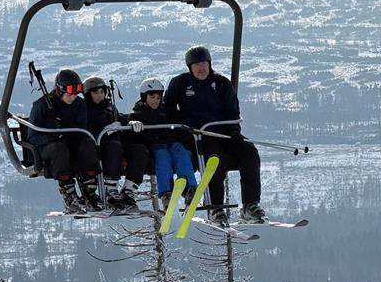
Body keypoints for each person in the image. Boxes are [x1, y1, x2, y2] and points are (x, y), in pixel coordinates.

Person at [164, 46, 267, 225]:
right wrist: (182, 127)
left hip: (224, 133)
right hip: (197, 136)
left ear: (209, 64)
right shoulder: (180, 83)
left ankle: (250, 205)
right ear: (190, 67)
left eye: (204, 64)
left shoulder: (221, 83)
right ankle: (215, 207)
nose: (201, 68)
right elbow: (168, 108)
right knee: (214, 158)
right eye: (197, 65)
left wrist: (234, 131)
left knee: (250, 152)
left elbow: (233, 111)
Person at [27, 69, 101, 214]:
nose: (73, 97)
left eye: (76, 93)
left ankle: (89, 193)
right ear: (60, 91)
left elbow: (82, 129)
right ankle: (70, 196)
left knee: (87, 144)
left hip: (70, 144)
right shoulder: (42, 105)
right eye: (69, 93)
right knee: (59, 149)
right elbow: (32, 137)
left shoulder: (79, 104)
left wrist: (67, 128)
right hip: (49, 148)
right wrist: (53, 135)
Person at [129, 78, 199, 211]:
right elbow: (132, 127)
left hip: (172, 142)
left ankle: (190, 188)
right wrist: (133, 124)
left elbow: (180, 123)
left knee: (182, 152)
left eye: (158, 97)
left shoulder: (168, 111)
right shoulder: (139, 113)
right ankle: (166, 193)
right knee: (162, 156)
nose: (155, 101)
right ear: (144, 97)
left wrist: (185, 130)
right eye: (152, 97)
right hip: (155, 145)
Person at [83, 75, 149, 209]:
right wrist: (105, 131)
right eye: (95, 92)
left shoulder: (109, 107)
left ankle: (129, 189)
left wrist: (131, 122)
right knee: (114, 146)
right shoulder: (85, 110)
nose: (100, 95)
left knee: (140, 150)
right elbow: (85, 131)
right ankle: (110, 188)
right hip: (100, 149)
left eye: (102, 92)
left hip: (117, 145)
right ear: (88, 94)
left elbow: (119, 119)